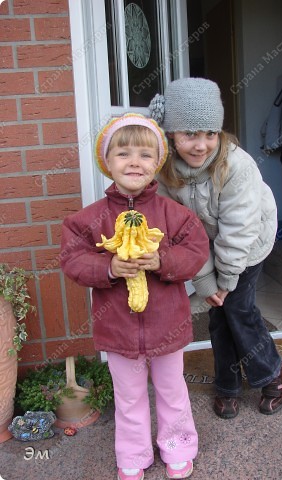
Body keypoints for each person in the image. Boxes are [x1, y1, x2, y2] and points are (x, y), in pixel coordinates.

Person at [60, 113, 210, 480]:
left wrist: (163, 260)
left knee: (172, 390)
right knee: (128, 396)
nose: (134, 162)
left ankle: (178, 446)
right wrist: (108, 269)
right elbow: (72, 259)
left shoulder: (173, 214)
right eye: (123, 153)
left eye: (145, 155)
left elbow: (196, 252)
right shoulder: (89, 220)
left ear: (156, 162)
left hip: (168, 325)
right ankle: (134, 453)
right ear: (107, 162)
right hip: (116, 327)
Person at [149, 78, 282, 419]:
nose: (201, 145)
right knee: (217, 315)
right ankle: (227, 385)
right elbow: (179, 232)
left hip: (248, 242)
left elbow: (238, 229)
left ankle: (273, 374)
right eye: (190, 134)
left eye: (210, 133)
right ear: (170, 134)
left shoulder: (236, 166)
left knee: (237, 309)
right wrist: (206, 283)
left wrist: (224, 280)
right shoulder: (164, 172)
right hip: (207, 244)